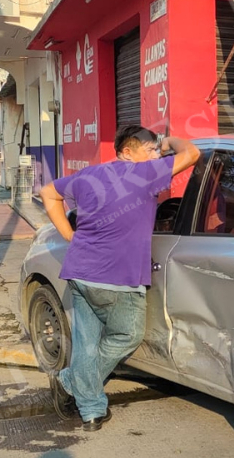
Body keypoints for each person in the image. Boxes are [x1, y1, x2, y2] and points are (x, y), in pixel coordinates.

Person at [40, 126, 200, 431]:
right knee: (127, 335)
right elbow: (192, 153)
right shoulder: (144, 175)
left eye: (157, 150)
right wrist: (169, 142)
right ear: (127, 152)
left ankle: (91, 411)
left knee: (87, 344)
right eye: (150, 149)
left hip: (81, 273)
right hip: (118, 279)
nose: (156, 155)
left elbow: (48, 193)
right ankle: (72, 382)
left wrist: (69, 235)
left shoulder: (88, 176)